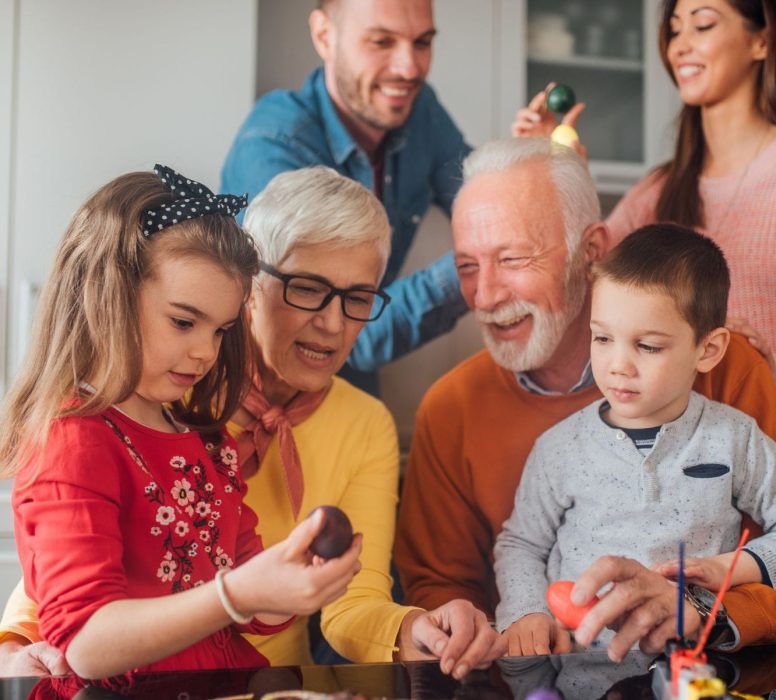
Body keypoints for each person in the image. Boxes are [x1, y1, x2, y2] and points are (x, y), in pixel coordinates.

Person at [0, 166, 503, 680]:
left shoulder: (195, 421)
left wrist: (407, 625)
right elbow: (65, 568)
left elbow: (339, 601)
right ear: (252, 288)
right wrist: (13, 645)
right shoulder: (165, 388)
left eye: (357, 298)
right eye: (308, 289)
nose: (333, 323)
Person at [514, 0, 776, 622]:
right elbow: (589, 282)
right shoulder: (662, 187)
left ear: (762, 38)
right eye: (672, 30)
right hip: (696, 485)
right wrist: (555, 172)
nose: (680, 45)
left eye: (703, 22)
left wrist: (769, 385)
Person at [394, 137, 776, 664]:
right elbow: (442, 599)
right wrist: (499, 627)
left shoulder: (729, 375)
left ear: (591, 252)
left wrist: (701, 612)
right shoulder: (450, 408)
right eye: (466, 266)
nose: (486, 295)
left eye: (513, 259)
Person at [494, 223, 776, 655]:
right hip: (580, 675)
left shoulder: (734, 438)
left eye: (649, 346)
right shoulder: (558, 448)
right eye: (602, 338)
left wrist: (727, 569)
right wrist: (527, 611)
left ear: (708, 350)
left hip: (699, 672)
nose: (618, 364)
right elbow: (521, 543)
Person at [222, 0, 471, 393]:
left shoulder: (422, 111)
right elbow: (350, 336)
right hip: (251, 396)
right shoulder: (273, 144)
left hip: (351, 394)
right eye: (381, 41)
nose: (409, 68)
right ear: (324, 36)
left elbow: (480, 197)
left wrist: (528, 175)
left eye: (422, 43)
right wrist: (477, 267)